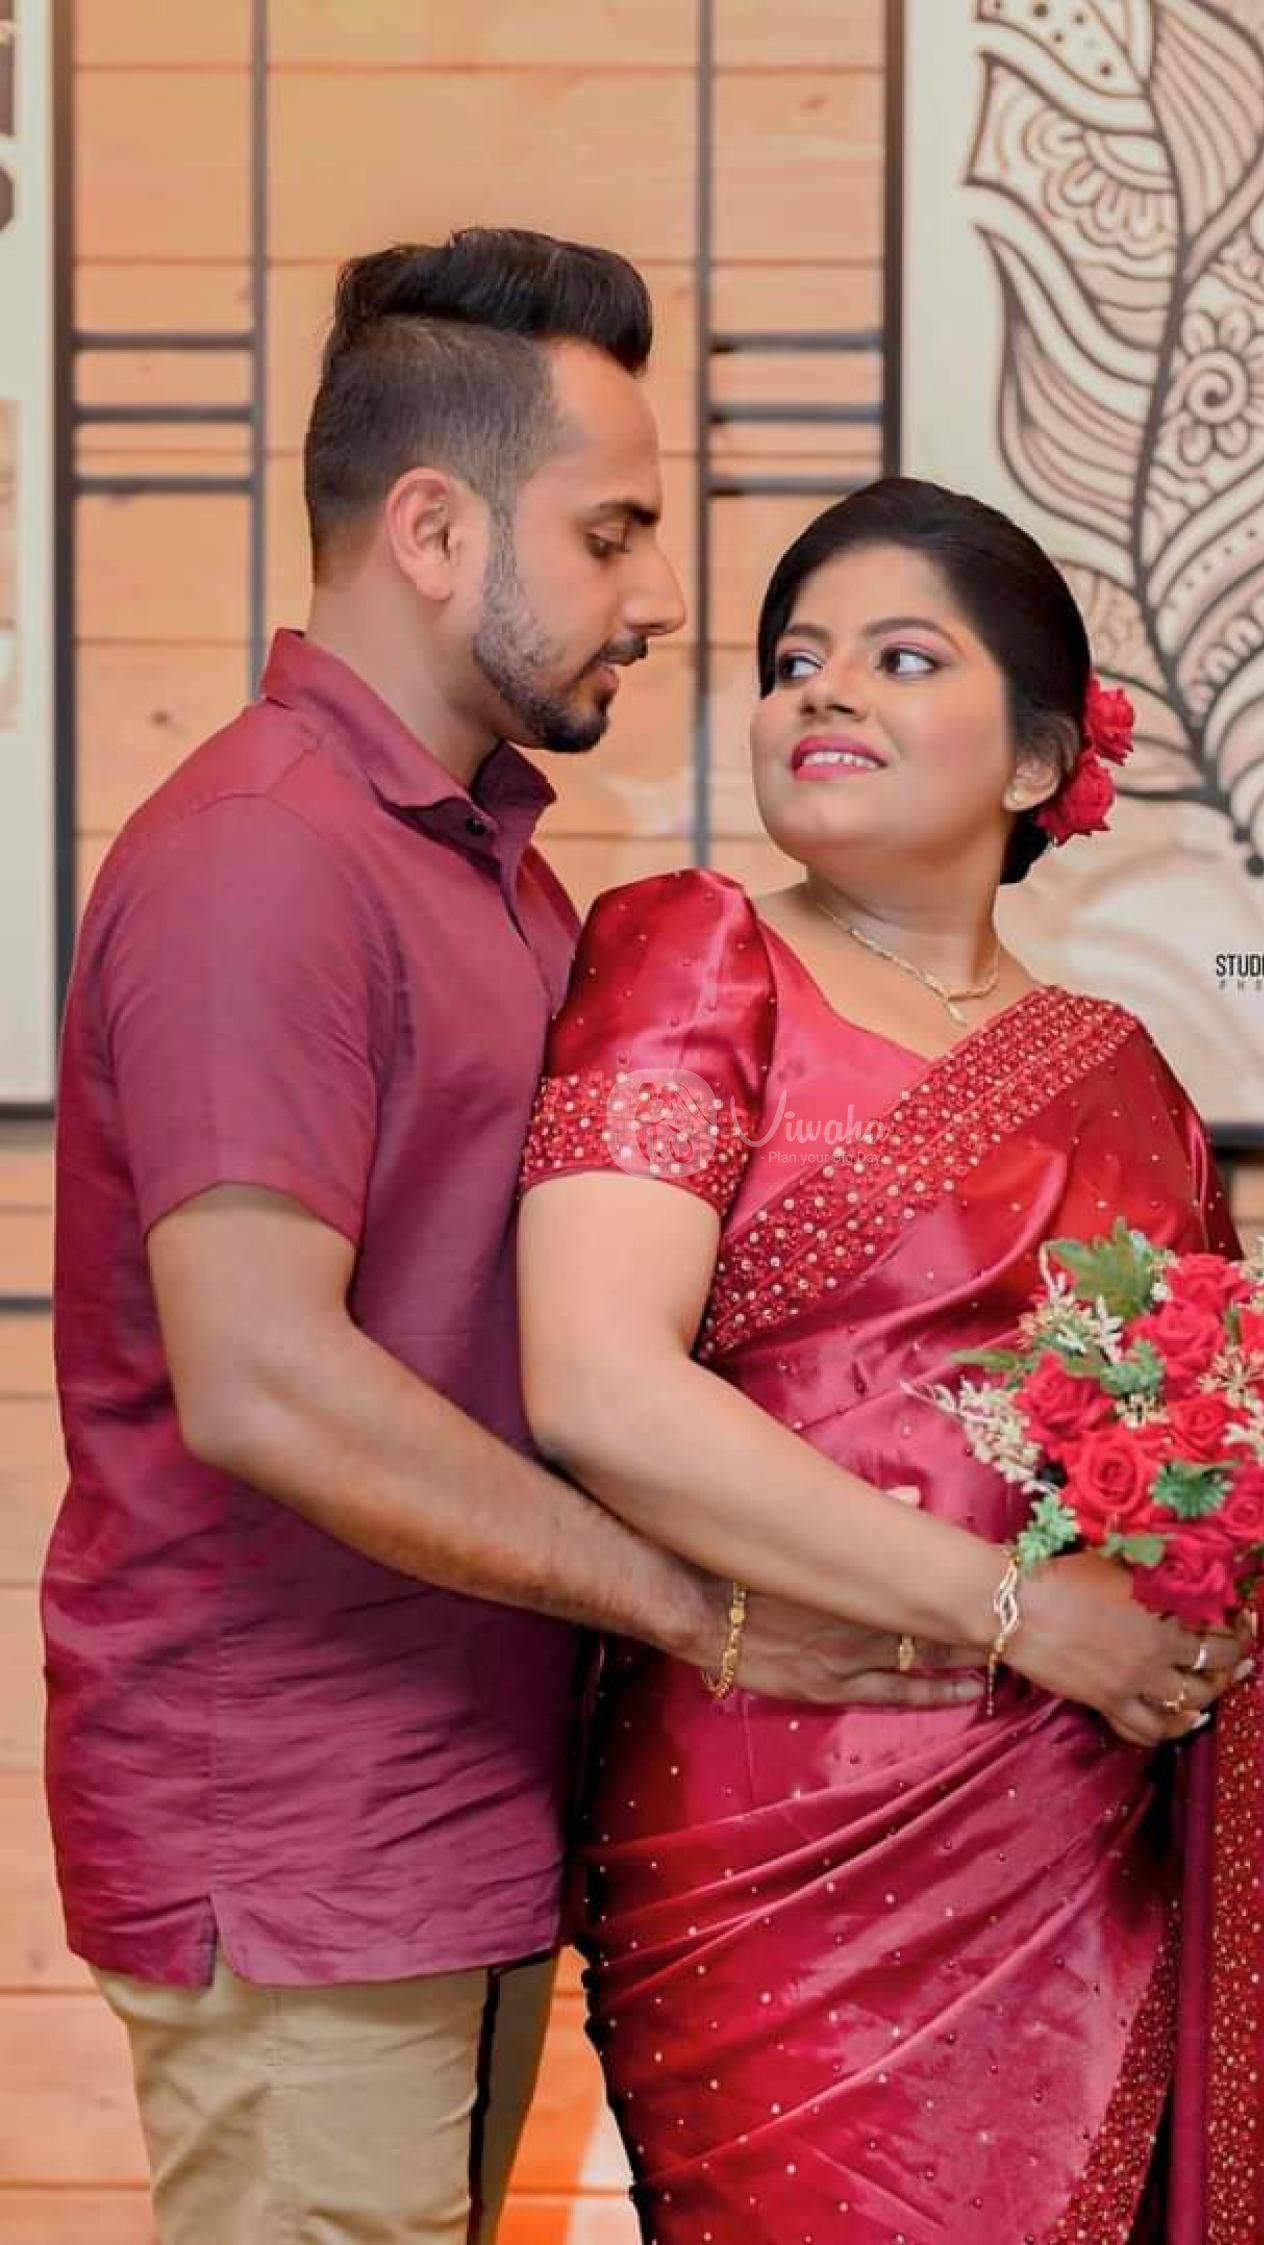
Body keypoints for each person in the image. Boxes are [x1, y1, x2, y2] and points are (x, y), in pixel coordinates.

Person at [43, 236, 971, 2245]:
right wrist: (694, 1602)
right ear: (436, 530)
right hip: (301, 1828)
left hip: (460, 1813)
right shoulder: (263, 857)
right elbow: (265, 1380)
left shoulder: (486, 871)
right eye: (613, 530)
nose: (664, 595)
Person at [518, 477, 1264, 2242]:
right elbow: (597, 1385)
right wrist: (1024, 1612)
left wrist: (1210, 1611)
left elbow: (1206, 1460)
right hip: (774, 1823)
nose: (822, 688)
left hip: (1068, 1826)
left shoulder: (1127, 1073)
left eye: (901, 656)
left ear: (1040, 759)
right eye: (794, 661)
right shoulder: (695, 956)